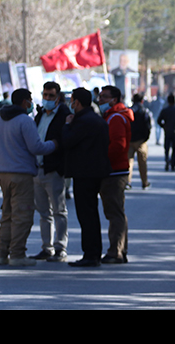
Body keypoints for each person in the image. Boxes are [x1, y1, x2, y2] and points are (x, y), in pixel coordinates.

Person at [0, 88, 57, 267]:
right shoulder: (25, 121)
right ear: (24, 102)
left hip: (3, 174)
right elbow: (36, 147)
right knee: (22, 216)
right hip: (21, 174)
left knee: (7, 215)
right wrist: (53, 144)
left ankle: (2, 253)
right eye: (29, 100)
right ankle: (18, 253)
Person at [61, 88, 110, 267]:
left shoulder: (82, 121)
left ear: (78, 102)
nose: (71, 104)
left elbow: (67, 141)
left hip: (84, 172)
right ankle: (92, 252)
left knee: (86, 214)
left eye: (72, 100)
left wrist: (67, 125)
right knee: (91, 213)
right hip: (95, 172)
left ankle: (91, 254)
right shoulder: (97, 120)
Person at [31, 82, 71, 262]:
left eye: (51, 96)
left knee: (58, 210)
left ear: (58, 97)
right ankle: (46, 247)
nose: (47, 98)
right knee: (43, 212)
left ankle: (60, 246)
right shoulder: (40, 114)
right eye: (45, 95)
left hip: (53, 170)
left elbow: (65, 141)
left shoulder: (64, 116)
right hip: (37, 169)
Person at [98, 85, 132, 264]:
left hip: (114, 170)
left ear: (114, 99)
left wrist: (100, 157)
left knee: (114, 212)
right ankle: (119, 249)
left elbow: (118, 145)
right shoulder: (112, 116)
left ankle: (116, 251)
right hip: (114, 169)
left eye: (104, 97)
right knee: (116, 211)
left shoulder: (116, 118)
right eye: (100, 96)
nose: (100, 100)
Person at [128, 93, 152, 190]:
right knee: (142, 162)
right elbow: (148, 126)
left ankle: (127, 182)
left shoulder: (129, 110)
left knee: (129, 162)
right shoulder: (144, 111)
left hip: (129, 140)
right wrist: (145, 138)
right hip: (141, 141)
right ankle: (144, 182)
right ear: (142, 101)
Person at [157, 94, 175, 171]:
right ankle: (173, 164)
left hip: (167, 131)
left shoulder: (164, 110)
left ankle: (167, 161)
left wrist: (163, 126)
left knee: (167, 148)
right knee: (174, 149)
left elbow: (159, 120)